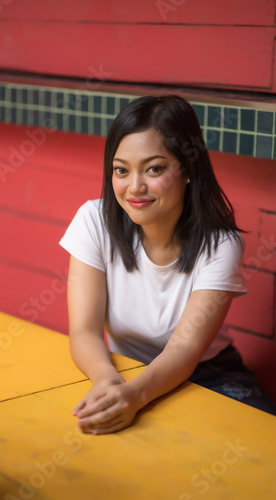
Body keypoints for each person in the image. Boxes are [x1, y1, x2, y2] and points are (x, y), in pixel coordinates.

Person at [59, 95, 276, 434]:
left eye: (154, 168)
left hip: (207, 374)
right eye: (121, 170)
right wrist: (107, 381)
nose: (135, 187)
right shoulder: (93, 221)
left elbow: (184, 349)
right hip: (121, 371)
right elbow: (83, 331)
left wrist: (136, 394)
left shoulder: (221, 244)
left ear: (187, 169)